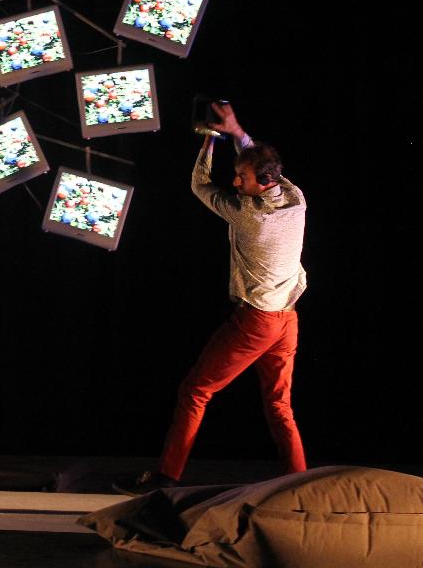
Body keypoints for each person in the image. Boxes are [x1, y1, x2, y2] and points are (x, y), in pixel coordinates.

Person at [114, 103, 307, 495]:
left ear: (263, 182)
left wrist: (210, 142)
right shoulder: (294, 197)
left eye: (241, 177)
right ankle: (301, 483)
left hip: (257, 323)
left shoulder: (250, 215)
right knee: (279, 405)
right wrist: (237, 131)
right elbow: (258, 162)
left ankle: (167, 477)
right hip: (287, 320)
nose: (235, 182)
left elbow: (200, 185)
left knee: (196, 390)